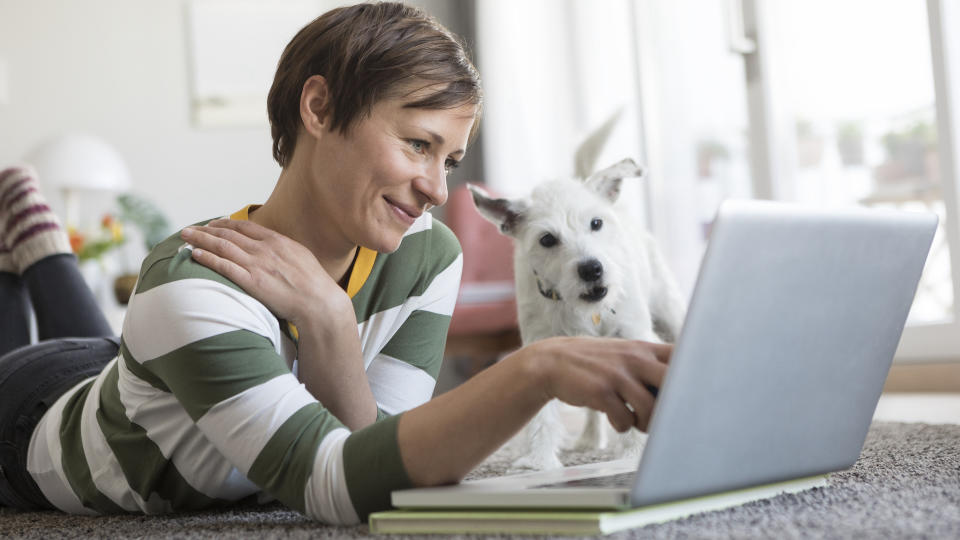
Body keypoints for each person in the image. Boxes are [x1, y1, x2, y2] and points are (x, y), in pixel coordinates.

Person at [0, 2, 670, 525]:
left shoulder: (427, 253)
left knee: (107, 352)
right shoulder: (189, 288)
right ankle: (33, 253)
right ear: (319, 108)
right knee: (69, 357)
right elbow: (337, 484)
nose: (438, 188)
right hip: (28, 417)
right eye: (417, 144)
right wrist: (537, 367)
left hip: (125, 372)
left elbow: (377, 458)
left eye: (450, 160)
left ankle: (34, 249)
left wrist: (328, 325)